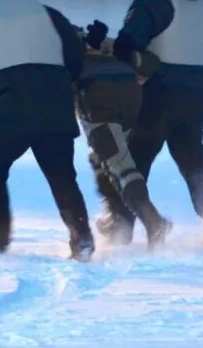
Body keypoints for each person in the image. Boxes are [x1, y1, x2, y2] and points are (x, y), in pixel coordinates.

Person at [98, 0, 203, 247]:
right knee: (192, 158)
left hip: (160, 91)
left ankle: (121, 225)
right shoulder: (198, 3)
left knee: (134, 158)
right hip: (196, 90)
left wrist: (102, 43)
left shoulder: (154, 1)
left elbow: (128, 46)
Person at [0, 0, 95, 261]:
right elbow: (75, 56)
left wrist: (4, 84)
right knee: (62, 176)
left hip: (15, 109)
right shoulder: (50, 14)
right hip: (57, 106)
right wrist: (58, 83)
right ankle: (82, 239)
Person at [74, 20, 172, 249]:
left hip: (97, 96)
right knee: (103, 159)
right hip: (129, 96)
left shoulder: (66, 47)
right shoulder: (107, 44)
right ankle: (118, 221)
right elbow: (150, 64)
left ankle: (154, 221)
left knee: (119, 164)